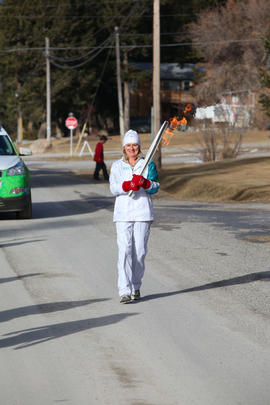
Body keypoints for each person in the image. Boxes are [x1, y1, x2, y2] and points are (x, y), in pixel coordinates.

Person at [109, 129, 159, 303]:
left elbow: (155, 186)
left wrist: (144, 183)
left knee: (139, 253)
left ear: (139, 146)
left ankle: (136, 286)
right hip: (122, 214)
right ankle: (124, 290)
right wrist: (127, 184)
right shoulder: (117, 166)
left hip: (142, 212)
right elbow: (113, 188)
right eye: (128, 145)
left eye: (135, 145)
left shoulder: (147, 164)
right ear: (124, 147)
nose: (132, 148)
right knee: (124, 251)